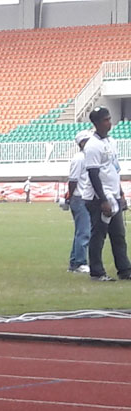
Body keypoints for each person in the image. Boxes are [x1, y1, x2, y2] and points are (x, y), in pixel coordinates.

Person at [83, 106, 130, 281]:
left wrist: (121, 193)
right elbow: (93, 174)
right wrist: (103, 200)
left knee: (118, 235)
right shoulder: (93, 146)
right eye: (106, 120)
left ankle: (125, 270)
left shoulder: (111, 142)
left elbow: (113, 170)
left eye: (110, 119)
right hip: (99, 198)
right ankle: (97, 271)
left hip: (114, 195)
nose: (109, 123)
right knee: (99, 235)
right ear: (96, 123)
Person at [66, 130, 92, 274]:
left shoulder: (86, 157)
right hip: (80, 197)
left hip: (81, 197)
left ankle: (75, 262)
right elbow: (73, 180)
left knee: (80, 232)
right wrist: (71, 196)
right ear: (82, 143)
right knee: (84, 232)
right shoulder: (79, 158)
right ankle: (80, 262)